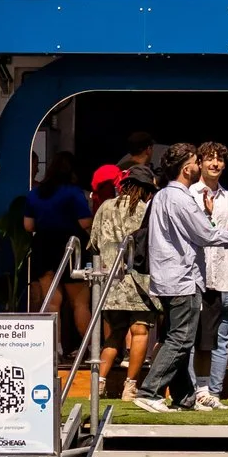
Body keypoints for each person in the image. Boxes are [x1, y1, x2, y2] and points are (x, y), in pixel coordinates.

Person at [136, 142, 228, 412]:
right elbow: (206, 235)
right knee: (182, 338)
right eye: (197, 161)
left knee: (181, 339)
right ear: (187, 168)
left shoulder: (162, 195)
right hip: (182, 277)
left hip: (167, 276)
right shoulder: (179, 197)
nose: (201, 165)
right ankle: (149, 391)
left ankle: (184, 396)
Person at [89, 163, 157, 399]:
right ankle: (130, 386)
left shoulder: (105, 207)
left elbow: (94, 242)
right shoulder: (147, 210)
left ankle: (98, 384)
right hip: (140, 281)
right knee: (139, 332)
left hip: (110, 281)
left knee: (114, 334)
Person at [20, 152, 94, 354]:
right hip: (71, 246)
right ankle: (91, 348)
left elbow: (28, 225)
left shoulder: (35, 193)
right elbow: (84, 222)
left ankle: (55, 348)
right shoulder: (73, 192)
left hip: (43, 245)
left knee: (51, 302)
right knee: (79, 302)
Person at [194, 143, 228, 401]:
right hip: (196, 278)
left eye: (219, 160)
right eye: (209, 159)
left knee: (220, 340)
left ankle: (212, 393)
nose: (214, 164)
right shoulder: (190, 194)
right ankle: (194, 391)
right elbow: (195, 234)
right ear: (200, 162)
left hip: (226, 277)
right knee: (194, 339)